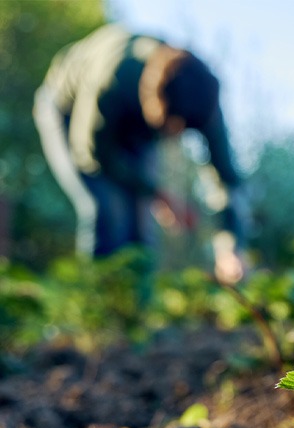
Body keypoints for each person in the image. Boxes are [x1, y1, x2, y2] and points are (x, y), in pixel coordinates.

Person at [33, 24, 247, 283]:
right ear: (154, 102)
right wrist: (155, 193)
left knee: (142, 221)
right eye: (169, 128)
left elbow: (225, 177)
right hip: (68, 111)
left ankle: (135, 312)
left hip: (131, 127)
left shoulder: (202, 98)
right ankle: (98, 308)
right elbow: (91, 154)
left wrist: (229, 246)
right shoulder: (112, 77)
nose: (175, 136)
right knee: (106, 207)